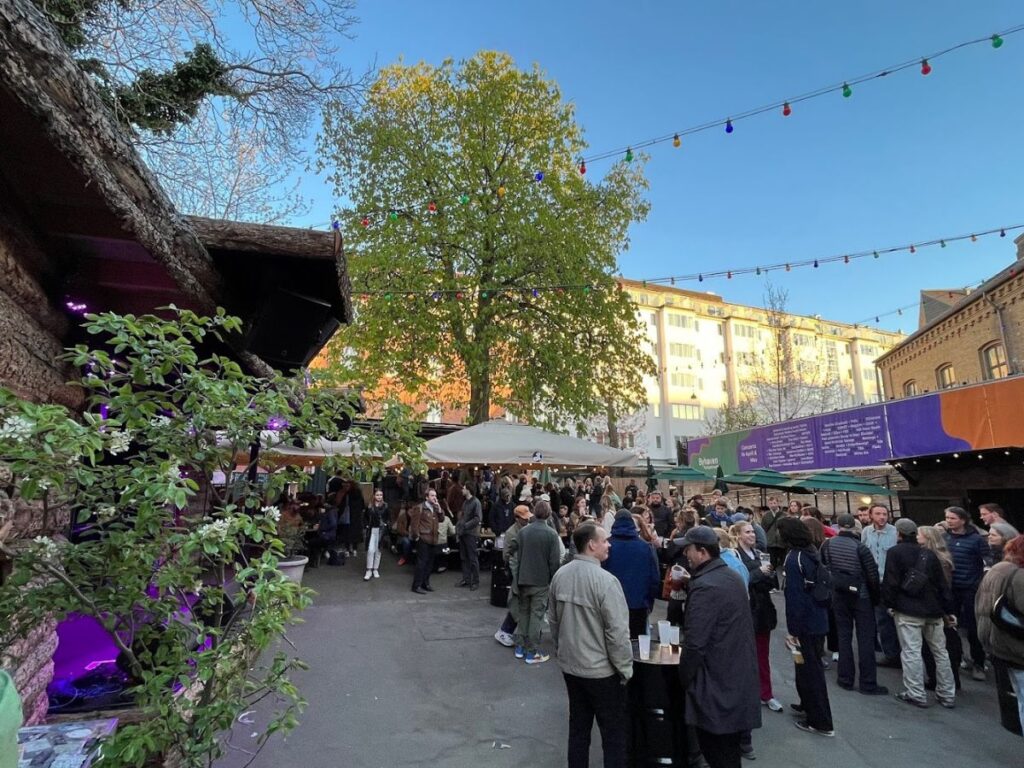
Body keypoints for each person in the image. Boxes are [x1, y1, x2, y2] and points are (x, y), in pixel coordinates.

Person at [548, 523, 633, 768]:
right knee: (613, 736)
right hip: (601, 671)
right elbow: (617, 634)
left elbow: (553, 622)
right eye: (605, 540)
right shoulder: (606, 582)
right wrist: (625, 669)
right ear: (591, 544)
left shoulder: (560, 575)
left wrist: (562, 651)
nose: (609, 544)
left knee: (578, 729)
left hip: (571, 666)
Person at [676, 526, 761, 766]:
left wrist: (683, 677)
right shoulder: (729, 575)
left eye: (689, 550)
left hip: (717, 683)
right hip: (735, 677)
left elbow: (695, 643)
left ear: (702, 552)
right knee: (728, 753)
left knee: (718, 753)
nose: (686, 555)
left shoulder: (706, 586)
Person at [882, 517, 957, 709]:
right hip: (933, 609)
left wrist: (889, 604)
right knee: (940, 652)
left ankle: (915, 693)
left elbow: (890, 582)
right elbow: (942, 584)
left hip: (908, 609)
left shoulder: (894, 552)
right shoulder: (929, 555)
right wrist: (948, 609)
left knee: (911, 652)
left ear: (898, 533)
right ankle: (947, 694)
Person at [779, 517, 834, 737]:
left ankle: (820, 721)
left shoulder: (794, 558)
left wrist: (792, 630)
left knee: (810, 671)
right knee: (805, 667)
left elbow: (795, 598)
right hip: (818, 618)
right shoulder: (812, 551)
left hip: (805, 624)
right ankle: (807, 705)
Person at [821, 514, 887, 695]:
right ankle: (868, 682)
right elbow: (872, 575)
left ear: (839, 526)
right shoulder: (861, 547)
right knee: (865, 639)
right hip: (861, 596)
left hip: (839, 594)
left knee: (844, 636)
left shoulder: (828, 544)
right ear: (855, 526)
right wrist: (875, 597)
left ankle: (845, 678)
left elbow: (824, 566)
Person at [731, 521, 782, 713]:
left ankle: (765, 693)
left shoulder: (761, 554)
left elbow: (772, 584)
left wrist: (768, 575)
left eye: (753, 531)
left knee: (762, 655)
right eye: (748, 532)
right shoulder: (736, 556)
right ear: (738, 535)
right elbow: (742, 581)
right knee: (742, 654)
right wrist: (759, 573)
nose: (752, 535)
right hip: (747, 609)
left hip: (762, 611)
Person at [975, 533, 1024, 736]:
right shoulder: (1018, 576)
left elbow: (981, 607)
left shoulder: (998, 570)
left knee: (1021, 697)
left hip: (1001, 645)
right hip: (1016, 647)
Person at [944, 505, 993, 681]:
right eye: (947, 518)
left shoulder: (976, 539)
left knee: (973, 627)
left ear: (962, 520)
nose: (949, 521)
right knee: (951, 624)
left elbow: (987, 560)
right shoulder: (945, 537)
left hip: (970, 587)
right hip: (951, 587)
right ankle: (956, 659)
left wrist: (979, 581)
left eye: (952, 518)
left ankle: (978, 662)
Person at [511, 500, 562, 663]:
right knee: (536, 615)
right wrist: (553, 580)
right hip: (541, 580)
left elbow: (514, 551)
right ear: (548, 514)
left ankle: (520, 647)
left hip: (523, 578)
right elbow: (554, 562)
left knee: (523, 613)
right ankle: (532, 652)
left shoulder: (523, 532)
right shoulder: (552, 534)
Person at [917, 525, 963, 691]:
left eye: (919, 534)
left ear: (928, 538)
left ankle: (945, 680)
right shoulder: (935, 556)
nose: (916, 537)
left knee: (941, 646)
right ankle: (945, 679)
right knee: (942, 646)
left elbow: (942, 585)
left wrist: (946, 610)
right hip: (939, 604)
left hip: (938, 606)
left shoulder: (937, 559)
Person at [603, 509, 661, 638]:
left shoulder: (607, 545)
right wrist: (648, 603)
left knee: (613, 640)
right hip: (638, 604)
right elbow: (654, 578)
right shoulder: (646, 547)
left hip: (612, 604)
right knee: (637, 644)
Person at [862, 504, 901, 667]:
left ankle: (899, 653)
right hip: (872, 580)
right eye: (878, 514)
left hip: (890, 581)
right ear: (871, 515)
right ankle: (890, 653)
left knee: (893, 618)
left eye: (884, 514)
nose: (882, 517)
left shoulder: (895, 532)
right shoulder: (866, 532)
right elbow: (863, 552)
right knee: (881, 619)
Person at [494, 504, 532, 648]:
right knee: (518, 602)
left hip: (521, 570)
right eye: (524, 518)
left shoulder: (524, 529)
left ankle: (507, 631)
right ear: (516, 518)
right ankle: (505, 631)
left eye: (527, 517)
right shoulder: (512, 533)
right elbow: (507, 555)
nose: (527, 520)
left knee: (520, 603)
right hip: (516, 570)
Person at [409, 488, 442, 594]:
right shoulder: (420, 508)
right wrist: (417, 536)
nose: (434, 498)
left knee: (430, 563)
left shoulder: (435, 507)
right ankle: (416, 585)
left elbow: (442, 519)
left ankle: (425, 583)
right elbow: (414, 524)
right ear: (427, 497)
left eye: (435, 496)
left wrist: (440, 509)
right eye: (432, 495)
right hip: (423, 538)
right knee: (421, 563)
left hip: (433, 538)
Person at [456, 483, 482, 590]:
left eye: (464, 488)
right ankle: (466, 579)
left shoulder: (476, 502)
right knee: (464, 557)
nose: (462, 489)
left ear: (469, 490)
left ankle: (475, 581)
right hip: (464, 533)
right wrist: (459, 528)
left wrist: (465, 525)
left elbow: (477, 518)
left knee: (472, 558)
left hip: (471, 534)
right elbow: (463, 516)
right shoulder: (465, 502)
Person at [363, 489, 389, 581]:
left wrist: (385, 524)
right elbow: (365, 517)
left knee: (378, 550)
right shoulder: (370, 506)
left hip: (381, 530)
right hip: (371, 530)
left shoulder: (385, 506)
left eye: (381, 495)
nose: (379, 497)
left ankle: (375, 569)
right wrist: (366, 525)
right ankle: (369, 569)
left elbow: (387, 517)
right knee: (370, 550)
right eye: (377, 495)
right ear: (374, 496)